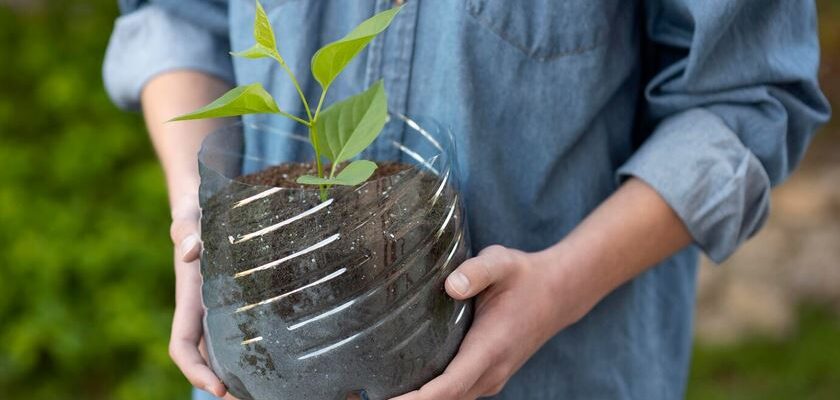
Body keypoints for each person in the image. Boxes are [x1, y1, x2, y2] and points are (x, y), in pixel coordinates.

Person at [103, 1, 830, 399]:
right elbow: (175, 16)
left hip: (556, 372)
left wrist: (561, 286)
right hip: (271, 363)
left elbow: (746, 99)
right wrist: (194, 217)